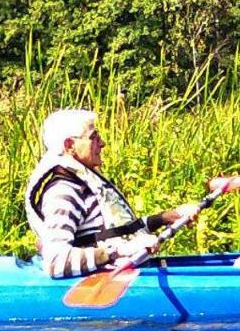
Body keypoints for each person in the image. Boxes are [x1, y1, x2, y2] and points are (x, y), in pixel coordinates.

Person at [25, 108, 198, 278]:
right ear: (70, 145)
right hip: (99, 285)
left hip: (124, 274)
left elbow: (119, 232)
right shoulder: (63, 193)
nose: (102, 143)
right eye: (94, 137)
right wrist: (118, 251)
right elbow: (56, 263)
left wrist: (164, 218)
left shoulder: (87, 183)